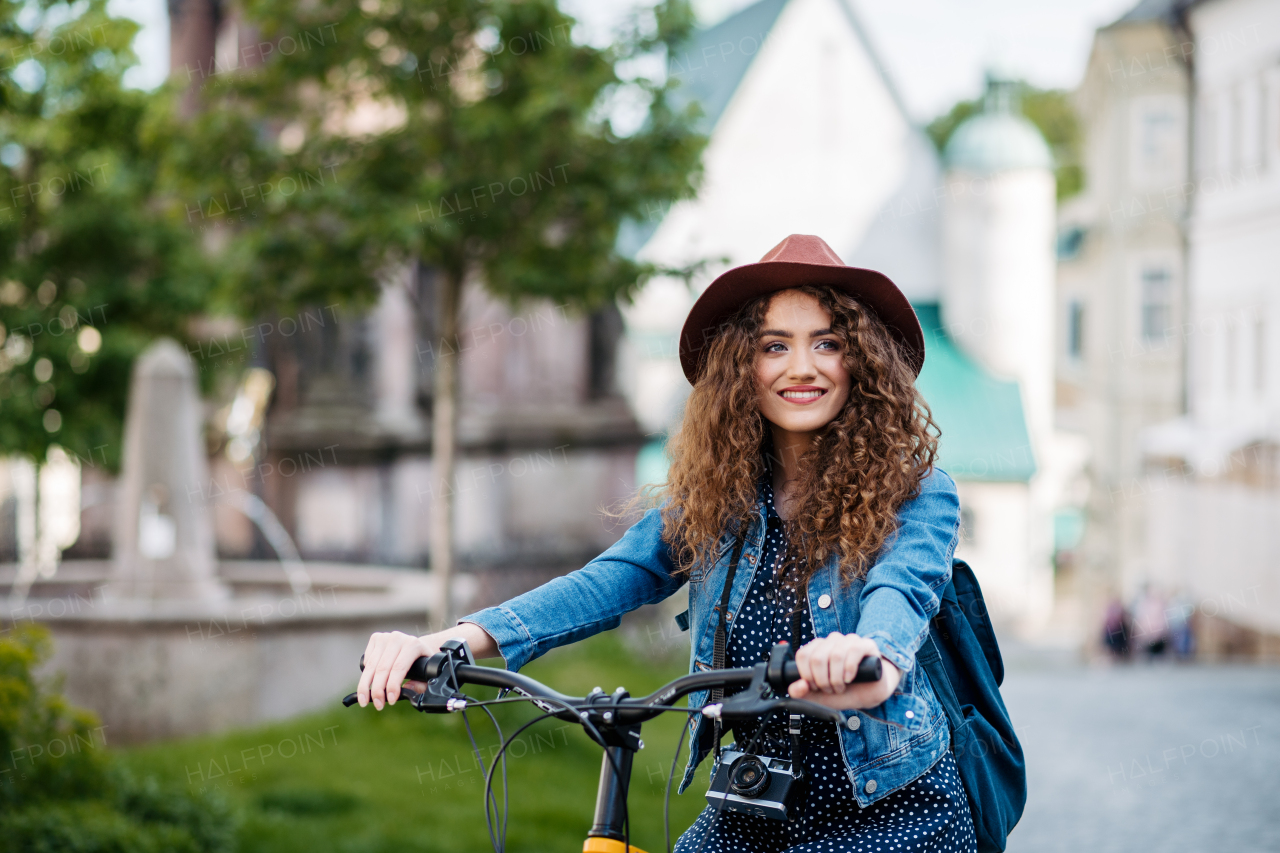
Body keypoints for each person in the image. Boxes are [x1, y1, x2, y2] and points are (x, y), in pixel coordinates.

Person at [358, 235, 975, 852]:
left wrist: (868, 657)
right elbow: (613, 577)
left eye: (828, 343)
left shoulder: (917, 493)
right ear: (741, 368)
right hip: (755, 804)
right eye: (774, 346)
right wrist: (453, 640)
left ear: (862, 362)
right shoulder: (717, 498)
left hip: (891, 808)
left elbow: (901, 597)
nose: (802, 367)